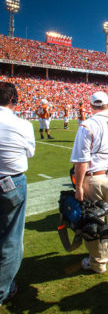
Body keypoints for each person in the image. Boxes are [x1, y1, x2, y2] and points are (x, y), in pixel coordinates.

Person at [71, 91, 108, 273]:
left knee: (94, 219)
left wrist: (79, 186)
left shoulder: (88, 125)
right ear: (107, 104)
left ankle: (98, 261)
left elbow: (81, 160)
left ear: (91, 105)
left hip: (94, 177)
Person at [0, 82, 35, 306]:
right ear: (14, 100)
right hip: (10, 182)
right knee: (11, 238)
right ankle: (2, 290)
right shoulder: (22, 124)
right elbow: (30, 152)